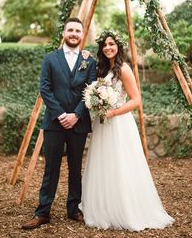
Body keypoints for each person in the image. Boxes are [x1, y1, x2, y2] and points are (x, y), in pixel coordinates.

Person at [80, 30, 174, 231]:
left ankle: (124, 208)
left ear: (118, 46)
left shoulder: (124, 69)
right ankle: (103, 207)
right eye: (104, 45)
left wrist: (113, 113)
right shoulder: (102, 69)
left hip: (119, 124)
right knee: (103, 163)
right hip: (103, 124)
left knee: (121, 164)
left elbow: (137, 100)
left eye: (111, 44)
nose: (108, 47)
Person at [22, 17, 96, 230]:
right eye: (70, 30)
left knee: (75, 168)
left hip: (79, 123)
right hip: (55, 123)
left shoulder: (88, 61)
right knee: (51, 168)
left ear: (82, 35)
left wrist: (76, 115)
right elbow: (45, 88)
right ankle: (43, 212)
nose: (74, 34)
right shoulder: (50, 59)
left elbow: (90, 91)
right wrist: (62, 114)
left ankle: (73, 209)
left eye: (77, 31)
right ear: (64, 32)